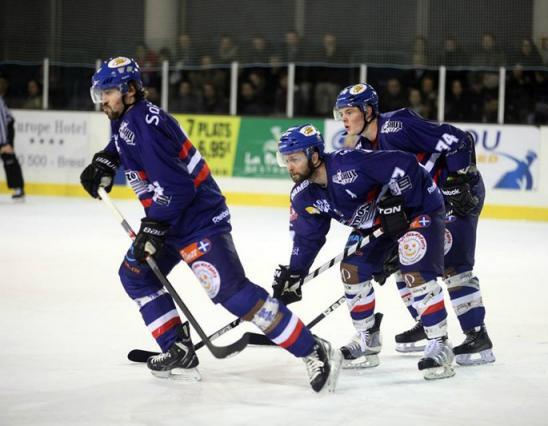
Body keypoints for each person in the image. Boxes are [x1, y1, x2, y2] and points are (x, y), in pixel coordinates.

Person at [79, 56, 341, 392]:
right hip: (170, 220)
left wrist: (153, 226)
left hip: (198, 221)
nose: (103, 100)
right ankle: (178, 347)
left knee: (233, 294)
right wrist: (106, 160)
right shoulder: (128, 117)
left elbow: (177, 187)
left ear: (130, 90)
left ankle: (312, 348)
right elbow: (122, 142)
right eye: (100, 93)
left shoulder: (143, 124)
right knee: (135, 274)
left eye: (109, 92)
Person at [272, 123, 455, 380]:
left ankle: (440, 343)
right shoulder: (304, 196)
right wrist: (296, 272)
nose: (289, 166)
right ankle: (367, 340)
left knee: (413, 267)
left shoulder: (349, 165)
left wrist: (402, 203)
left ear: (314, 155)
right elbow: (307, 237)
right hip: (378, 225)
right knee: (351, 270)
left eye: (294, 159)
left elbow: (405, 164)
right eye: (285, 160)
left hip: (419, 209)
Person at [333, 83, 495, 366]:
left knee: (453, 265)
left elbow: (459, 139)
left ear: (368, 111)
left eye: (349, 112)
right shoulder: (363, 146)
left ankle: (477, 336)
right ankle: (426, 320)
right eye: (341, 113)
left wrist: (459, 180)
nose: (344, 119)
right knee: (404, 258)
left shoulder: (396, 127)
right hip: (425, 204)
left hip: (456, 195)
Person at [0, 76, 25, 200]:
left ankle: (18, 188)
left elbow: (2, 123)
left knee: (9, 158)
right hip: (4, 131)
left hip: (5, 131)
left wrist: (5, 143)